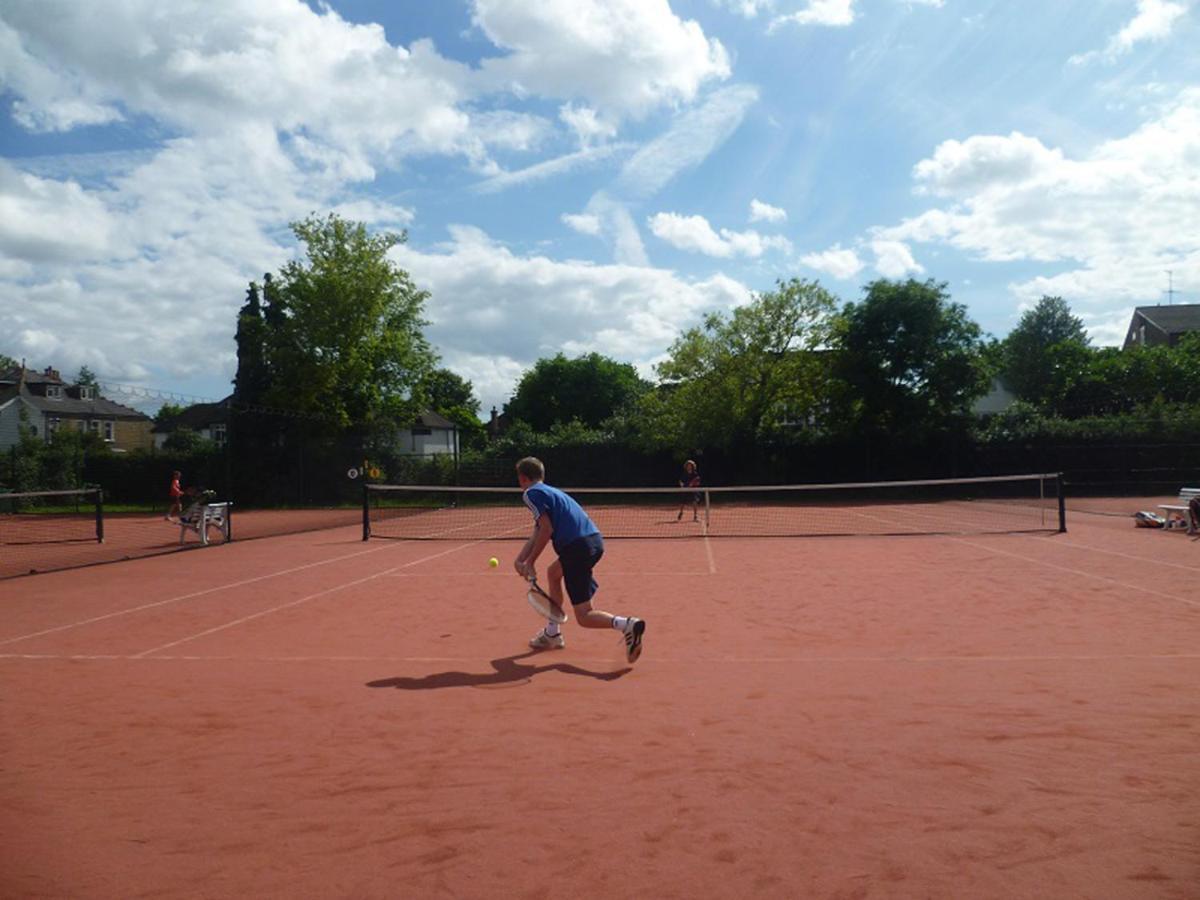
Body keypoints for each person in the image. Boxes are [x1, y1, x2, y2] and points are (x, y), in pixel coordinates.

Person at [512, 457, 646, 663]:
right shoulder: (551, 491)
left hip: (577, 547)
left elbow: (546, 530)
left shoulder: (531, 493)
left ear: (522, 478)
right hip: (593, 541)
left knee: (584, 616)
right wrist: (521, 559)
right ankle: (552, 633)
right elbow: (538, 529)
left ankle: (627, 624)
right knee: (553, 573)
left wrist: (530, 563)